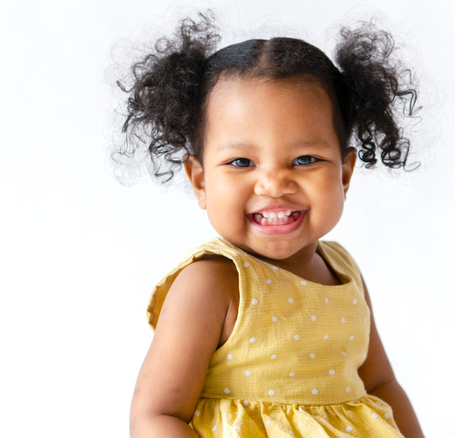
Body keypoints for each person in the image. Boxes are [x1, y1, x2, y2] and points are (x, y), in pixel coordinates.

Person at [117, 12, 425, 438]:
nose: (275, 184)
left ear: (345, 174)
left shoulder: (344, 271)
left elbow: (380, 384)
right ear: (201, 180)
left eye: (304, 159)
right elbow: (156, 416)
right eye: (241, 162)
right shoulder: (213, 283)